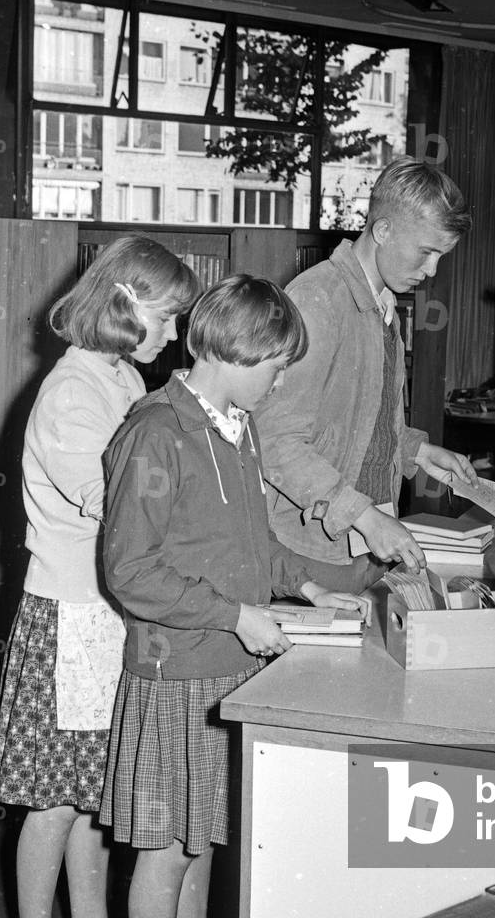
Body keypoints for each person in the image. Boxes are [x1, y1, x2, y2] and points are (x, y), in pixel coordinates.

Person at [99, 275, 368, 918]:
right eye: (275, 370)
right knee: (165, 854)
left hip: (229, 671)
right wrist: (237, 615)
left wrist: (305, 586)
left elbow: (251, 542)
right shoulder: (158, 431)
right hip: (179, 672)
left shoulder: (238, 428)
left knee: (204, 845)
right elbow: (130, 571)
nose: (279, 386)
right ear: (230, 353)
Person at [0, 236, 199, 918]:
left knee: (95, 792)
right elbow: (116, 504)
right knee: (51, 800)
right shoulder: (72, 390)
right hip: (70, 617)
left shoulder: (122, 377)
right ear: (124, 304)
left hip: (109, 614)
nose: (174, 336)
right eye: (167, 318)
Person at [256, 156, 478, 588]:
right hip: (310, 549)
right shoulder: (317, 302)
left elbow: (350, 417)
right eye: (427, 252)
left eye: (441, 256)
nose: (432, 270)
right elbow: (273, 440)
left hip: (363, 540)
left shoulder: (383, 306)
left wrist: (414, 450)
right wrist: (362, 516)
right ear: (383, 231)